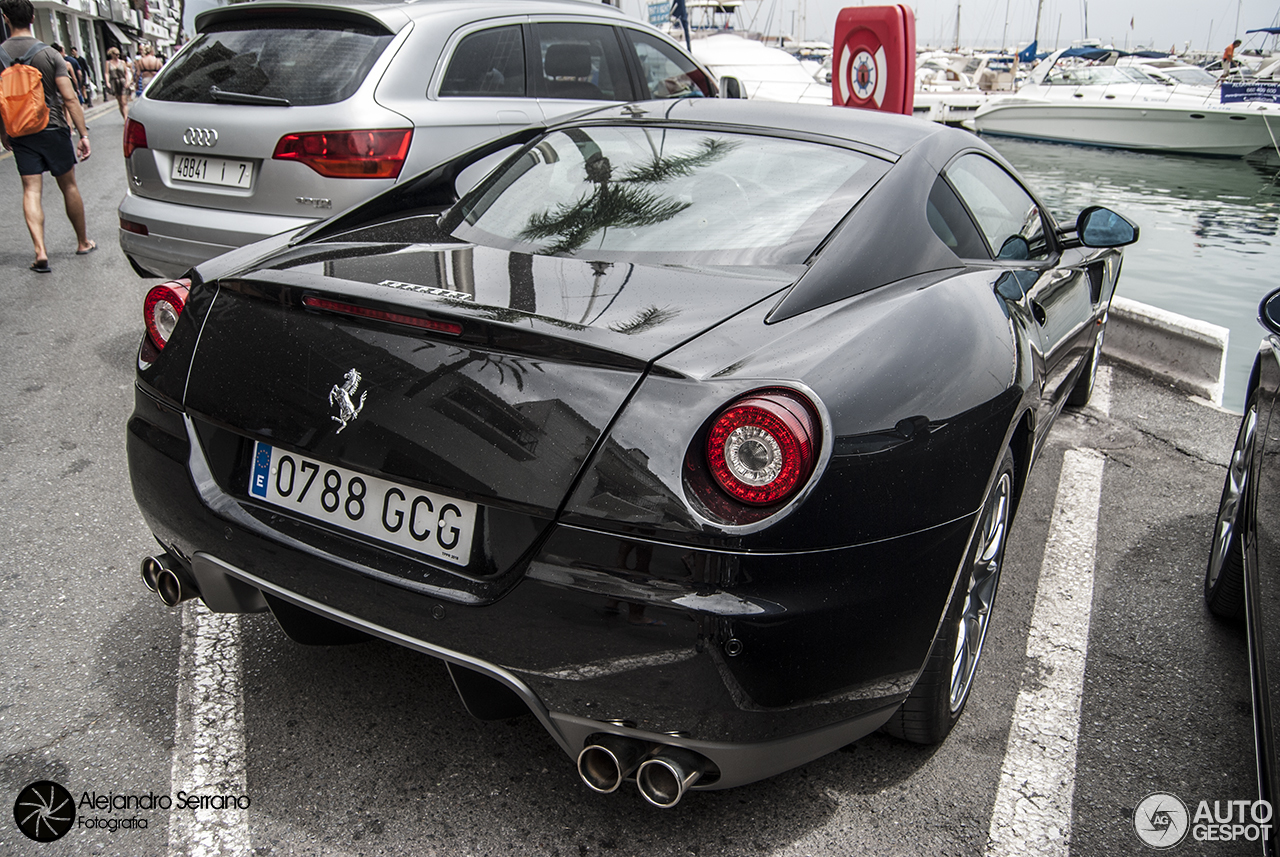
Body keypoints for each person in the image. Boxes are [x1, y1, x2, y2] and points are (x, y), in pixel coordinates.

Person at [0, 0, 94, 272]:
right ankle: (82, 241)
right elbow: (69, 98)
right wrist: (83, 133)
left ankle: (40, 251)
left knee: (31, 189)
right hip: (53, 128)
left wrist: (4, 132)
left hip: (20, 133)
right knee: (69, 186)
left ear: (6, 18)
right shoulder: (50, 55)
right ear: (31, 18)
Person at [104, 45, 129, 119]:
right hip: (114, 82)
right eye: (116, 54)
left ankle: (126, 119)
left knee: (124, 102)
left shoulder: (122, 62)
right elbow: (107, 73)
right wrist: (107, 82)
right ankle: (124, 116)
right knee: (120, 102)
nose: (117, 56)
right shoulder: (108, 63)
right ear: (112, 54)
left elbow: (126, 73)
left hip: (122, 82)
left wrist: (127, 82)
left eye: (118, 54)